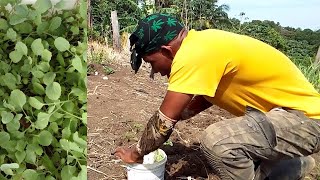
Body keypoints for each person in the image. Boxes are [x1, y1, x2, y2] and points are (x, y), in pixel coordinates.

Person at [114, 13, 320, 180]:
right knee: (239, 146)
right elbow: (205, 96)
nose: (155, 72)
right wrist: (179, 114)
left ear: (167, 51)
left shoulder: (192, 55)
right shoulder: (202, 43)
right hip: (287, 119)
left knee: (218, 142)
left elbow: (162, 125)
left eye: (151, 63)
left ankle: (285, 164)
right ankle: (291, 166)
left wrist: (135, 153)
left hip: (307, 121)